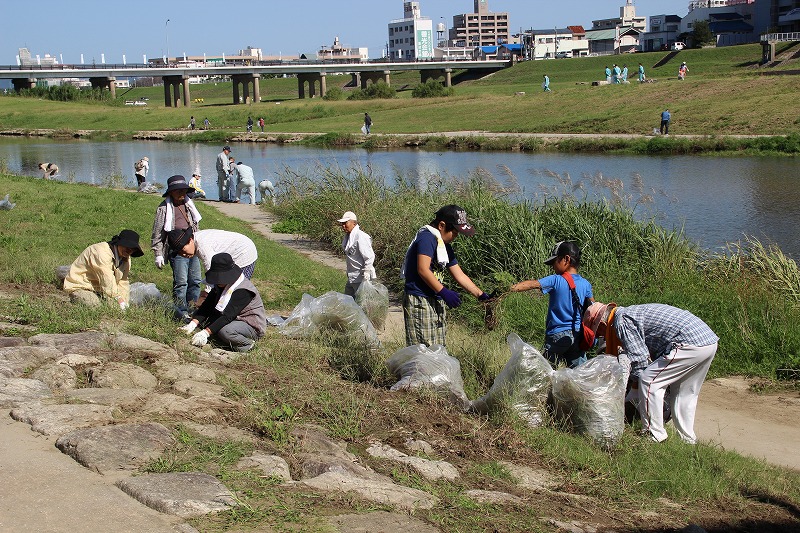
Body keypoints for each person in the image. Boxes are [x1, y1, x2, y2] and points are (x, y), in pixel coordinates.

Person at [583, 302, 718, 444]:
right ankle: (687, 440)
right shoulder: (630, 313)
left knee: (649, 381)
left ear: (603, 325)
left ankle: (654, 434)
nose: (601, 336)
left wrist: (633, 391)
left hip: (688, 342)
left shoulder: (621, 321)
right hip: (707, 341)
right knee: (685, 393)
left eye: (599, 333)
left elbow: (639, 359)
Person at [401, 205, 491, 347]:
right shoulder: (427, 238)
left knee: (438, 348)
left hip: (435, 298)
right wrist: (444, 292)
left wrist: (480, 294)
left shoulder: (444, 246)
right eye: (455, 232)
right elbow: (423, 269)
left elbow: (459, 274)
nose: (455, 237)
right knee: (424, 349)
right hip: (420, 300)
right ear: (442, 225)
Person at [510, 241, 593, 369]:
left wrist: (508, 289)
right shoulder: (586, 284)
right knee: (580, 373)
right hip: (577, 336)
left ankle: (548, 389)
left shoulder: (556, 280)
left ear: (566, 259)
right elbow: (592, 309)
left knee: (546, 372)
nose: (553, 266)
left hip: (556, 335)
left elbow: (532, 284)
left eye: (555, 262)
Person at [178, 253, 266, 352]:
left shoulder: (243, 290)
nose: (217, 282)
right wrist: (193, 324)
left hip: (249, 325)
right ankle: (224, 341)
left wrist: (205, 333)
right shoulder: (220, 285)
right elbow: (207, 306)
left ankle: (247, 345)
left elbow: (228, 316)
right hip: (233, 319)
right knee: (205, 322)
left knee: (226, 331)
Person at [152, 175, 203, 321]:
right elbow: (157, 232)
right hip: (177, 250)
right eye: (178, 191)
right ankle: (180, 311)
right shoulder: (163, 208)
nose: (182, 193)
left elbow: (196, 227)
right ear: (171, 192)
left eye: (184, 190)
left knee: (196, 280)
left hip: (192, 247)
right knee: (181, 282)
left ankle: (193, 308)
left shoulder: (189, 204)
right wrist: (158, 253)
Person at [63, 229, 144, 309]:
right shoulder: (101, 252)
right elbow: (106, 278)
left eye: (132, 249)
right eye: (127, 247)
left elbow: (123, 281)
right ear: (119, 243)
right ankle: (73, 296)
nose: (129, 251)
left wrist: (124, 302)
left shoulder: (126, 259)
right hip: (81, 285)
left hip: (101, 289)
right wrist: (117, 298)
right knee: (95, 305)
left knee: (116, 308)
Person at [167, 227, 258, 282]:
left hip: (244, 252)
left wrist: (207, 293)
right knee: (225, 288)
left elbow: (212, 272)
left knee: (237, 289)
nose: (184, 254)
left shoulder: (203, 247)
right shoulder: (196, 241)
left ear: (190, 240)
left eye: (183, 249)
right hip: (233, 255)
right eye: (180, 253)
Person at [337, 211, 376, 297]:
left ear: (354, 223)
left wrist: (366, 272)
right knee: (348, 301)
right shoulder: (348, 237)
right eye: (342, 224)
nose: (343, 226)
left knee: (362, 303)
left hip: (362, 278)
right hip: (352, 277)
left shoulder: (361, 237)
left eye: (345, 223)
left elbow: (369, 256)